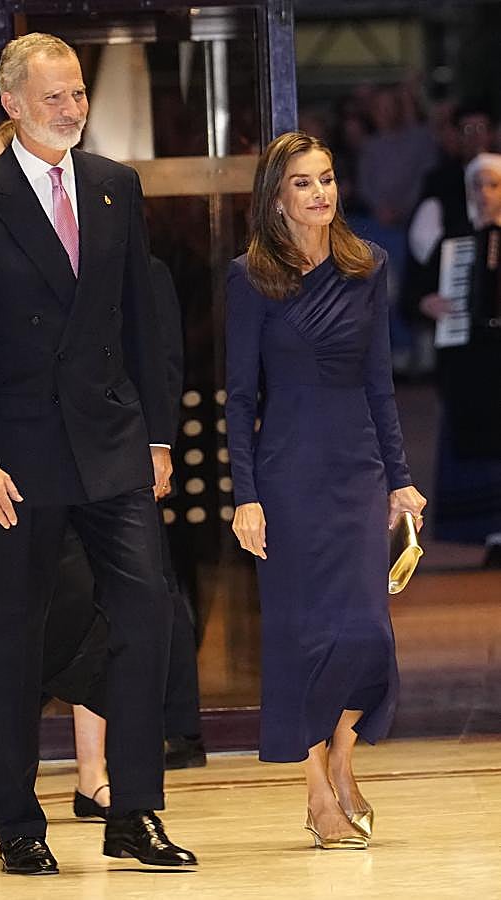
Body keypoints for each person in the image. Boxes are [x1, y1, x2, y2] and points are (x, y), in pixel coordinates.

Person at [0, 32, 196, 875]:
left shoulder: (116, 187)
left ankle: (133, 813)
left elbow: (139, 325)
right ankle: (16, 821)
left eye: (78, 93)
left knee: (146, 618)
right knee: (12, 640)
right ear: (11, 103)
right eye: (54, 97)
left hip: (112, 448)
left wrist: (155, 436)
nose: (73, 108)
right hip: (15, 461)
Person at [225, 132, 426, 850]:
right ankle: (317, 795)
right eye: (304, 183)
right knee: (300, 639)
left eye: (329, 179)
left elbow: (380, 383)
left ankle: (341, 758)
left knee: (367, 634)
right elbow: (240, 395)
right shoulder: (251, 276)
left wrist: (400, 479)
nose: (321, 194)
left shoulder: (367, 266)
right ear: (277, 196)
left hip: (357, 471)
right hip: (285, 476)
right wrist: (244, 495)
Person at [409, 151, 501, 564]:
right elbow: (414, 294)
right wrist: (426, 302)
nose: (484, 194)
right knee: (476, 441)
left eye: (493, 185)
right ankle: (490, 534)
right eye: (477, 186)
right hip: (470, 361)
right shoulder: (455, 241)